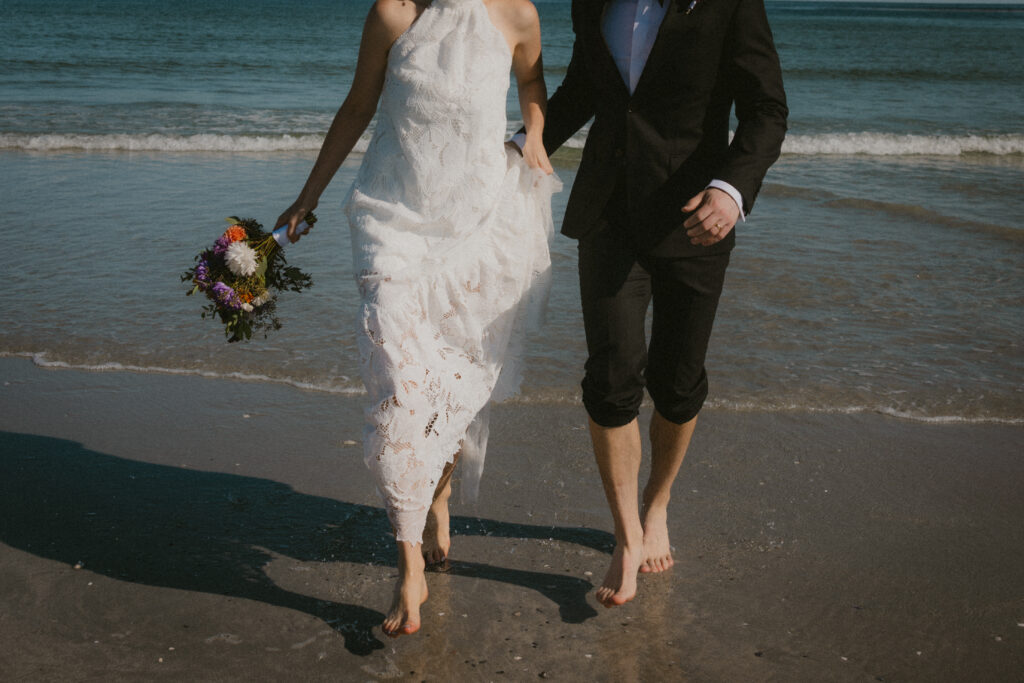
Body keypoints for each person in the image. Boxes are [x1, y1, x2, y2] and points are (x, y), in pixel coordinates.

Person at [275, 0, 557, 636]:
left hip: (477, 223)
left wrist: (535, 130)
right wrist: (308, 194)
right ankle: (408, 561)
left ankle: (440, 494)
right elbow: (358, 105)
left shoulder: (517, 14)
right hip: (392, 221)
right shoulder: (393, 15)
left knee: (452, 383)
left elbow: (533, 81)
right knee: (399, 382)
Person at [516, 0, 787, 607]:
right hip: (608, 212)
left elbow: (767, 109)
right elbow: (584, 89)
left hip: (697, 219)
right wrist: (517, 147)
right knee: (611, 376)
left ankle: (657, 502)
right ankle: (625, 533)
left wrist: (732, 189)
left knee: (678, 379)